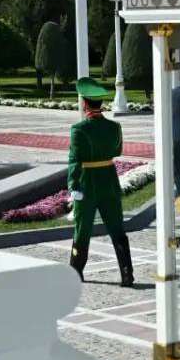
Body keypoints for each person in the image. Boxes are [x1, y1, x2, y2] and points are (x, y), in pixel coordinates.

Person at [69, 78, 135, 287]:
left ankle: (75, 273)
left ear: (85, 104)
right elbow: (117, 151)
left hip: (87, 183)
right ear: (101, 104)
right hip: (108, 178)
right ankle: (127, 274)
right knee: (117, 228)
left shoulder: (78, 129)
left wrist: (73, 185)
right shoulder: (115, 127)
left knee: (82, 229)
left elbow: (74, 160)